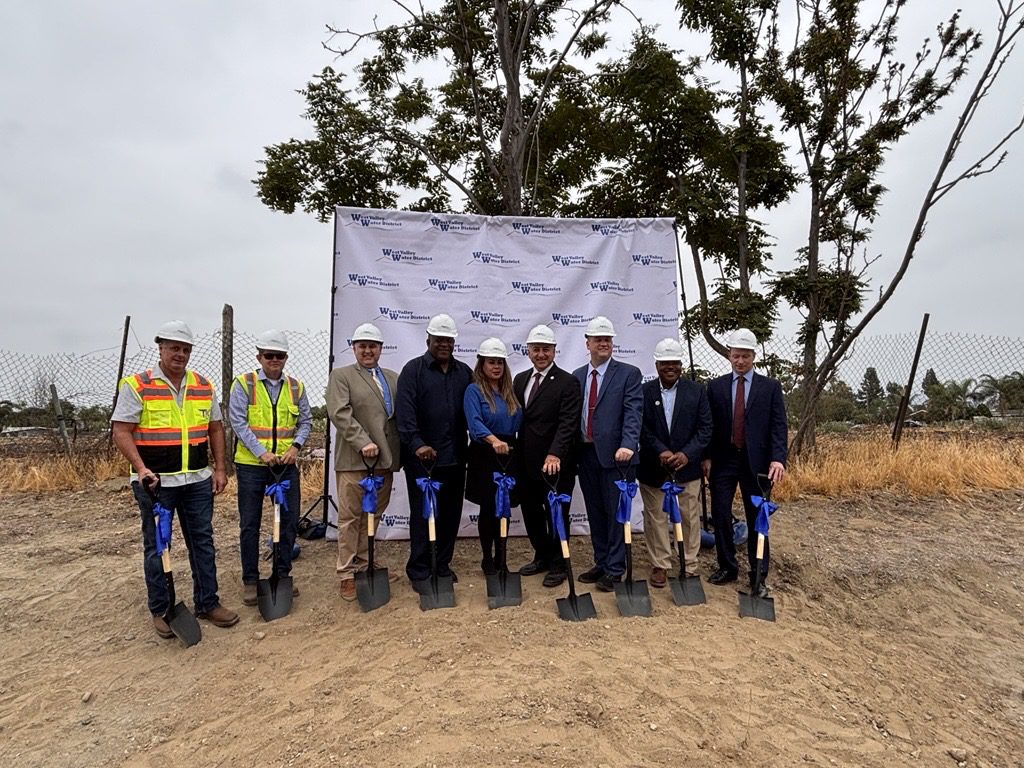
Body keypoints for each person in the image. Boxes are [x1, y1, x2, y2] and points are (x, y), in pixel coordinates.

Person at [110, 320, 238, 638]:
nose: (180, 354)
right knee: (158, 546)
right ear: (161, 348)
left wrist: (220, 469)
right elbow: (121, 431)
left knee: (202, 542)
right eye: (174, 348)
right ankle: (162, 609)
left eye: (185, 349)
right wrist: (140, 468)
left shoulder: (203, 386)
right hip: (156, 485)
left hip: (196, 481)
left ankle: (208, 602)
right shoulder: (137, 385)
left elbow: (216, 429)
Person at [228, 329, 312, 608]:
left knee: (288, 522)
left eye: (279, 356)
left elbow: (306, 422)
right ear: (259, 357)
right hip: (252, 466)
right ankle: (251, 581)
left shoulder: (296, 387)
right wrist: (261, 453)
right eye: (269, 355)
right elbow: (239, 423)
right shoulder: (244, 384)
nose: (274, 360)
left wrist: (295, 448)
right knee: (250, 524)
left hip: (285, 466)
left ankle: (282, 574)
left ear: (286, 358)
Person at [704, 328, 787, 595]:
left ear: (753, 356)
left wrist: (778, 459)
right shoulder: (716, 387)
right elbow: (709, 425)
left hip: (758, 463)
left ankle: (758, 574)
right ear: (729, 355)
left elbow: (778, 426)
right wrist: (706, 456)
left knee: (757, 518)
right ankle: (727, 566)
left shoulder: (770, 387)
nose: (740, 361)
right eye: (736, 355)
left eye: (745, 356)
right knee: (720, 513)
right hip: (724, 460)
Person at [396, 313, 472, 591]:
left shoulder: (464, 373)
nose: (444, 344)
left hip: (455, 458)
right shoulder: (413, 371)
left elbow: (473, 411)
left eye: (449, 340)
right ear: (428, 339)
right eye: (439, 339)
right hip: (422, 461)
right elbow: (405, 415)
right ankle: (419, 569)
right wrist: (417, 445)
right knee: (423, 514)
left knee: (450, 515)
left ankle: (441, 564)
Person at [326, 322, 402, 602]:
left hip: (384, 460)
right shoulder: (342, 376)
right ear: (354, 348)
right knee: (350, 517)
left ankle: (365, 560)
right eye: (362, 346)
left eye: (373, 346)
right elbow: (340, 413)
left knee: (373, 514)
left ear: (380, 348)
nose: (368, 351)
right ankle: (346, 573)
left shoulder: (392, 378)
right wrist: (362, 442)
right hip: (355, 460)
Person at [572, 316, 643, 592]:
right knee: (595, 511)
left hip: (618, 457)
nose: (603, 343)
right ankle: (601, 562)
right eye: (598, 339)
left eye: (607, 340)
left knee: (616, 515)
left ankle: (615, 569)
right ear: (587, 343)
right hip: (586, 454)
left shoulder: (628, 374)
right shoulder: (578, 376)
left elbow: (633, 412)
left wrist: (628, 444)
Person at [637, 338, 712, 587]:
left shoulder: (697, 391)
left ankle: (689, 564)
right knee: (656, 517)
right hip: (654, 467)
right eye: (665, 363)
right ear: (656, 365)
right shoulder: (644, 392)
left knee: (689, 516)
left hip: (687, 468)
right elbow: (640, 427)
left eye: (675, 363)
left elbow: (705, 428)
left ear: (681, 365)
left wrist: (687, 454)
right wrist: (660, 450)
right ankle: (660, 564)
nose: (670, 367)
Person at [511, 324, 581, 588]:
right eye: (536, 349)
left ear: (554, 351)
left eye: (546, 349)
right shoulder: (520, 380)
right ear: (528, 351)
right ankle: (541, 556)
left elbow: (568, 423)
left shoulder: (567, 382)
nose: (541, 354)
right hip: (526, 462)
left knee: (557, 514)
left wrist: (554, 454)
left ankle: (559, 563)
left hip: (556, 464)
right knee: (531, 512)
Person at [463, 338, 522, 575]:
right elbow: (474, 422)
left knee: (504, 508)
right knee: (489, 509)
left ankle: (502, 557)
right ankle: (487, 558)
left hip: (509, 454)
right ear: (482, 364)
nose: (496, 367)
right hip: (485, 454)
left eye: (500, 362)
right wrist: (494, 441)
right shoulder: (474, 390)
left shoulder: (510, 392)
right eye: (491, 362)